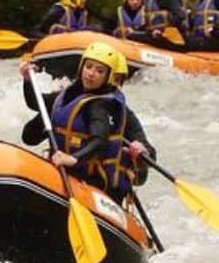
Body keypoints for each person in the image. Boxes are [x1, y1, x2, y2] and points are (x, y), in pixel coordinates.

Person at [20, 40, 155, 204]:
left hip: (99, 186)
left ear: (109, 77)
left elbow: (105, 139)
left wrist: (142, 151)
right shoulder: (69, 96)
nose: (91, 74)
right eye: (88, 67)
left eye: (99, 71)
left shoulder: (110, 108)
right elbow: (36, 104)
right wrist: (28, 81)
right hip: (66, 173)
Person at [32, 0, 100, 37]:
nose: (85, 0)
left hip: (76, 44)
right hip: (57, 45)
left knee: (96, 27)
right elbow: (36, 31)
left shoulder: (83, 12)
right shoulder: (58, 11)